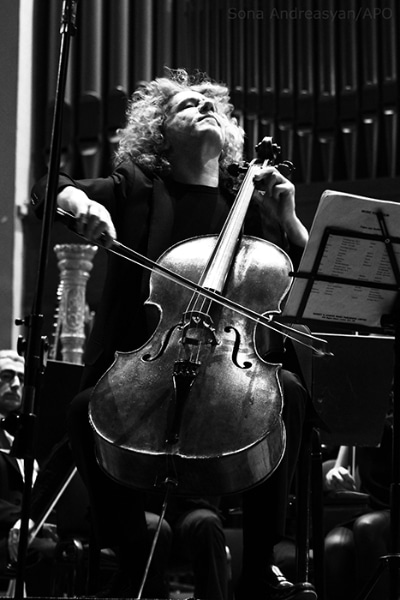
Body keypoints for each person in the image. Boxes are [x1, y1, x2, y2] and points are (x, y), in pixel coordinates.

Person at [31, 68, 317, 600]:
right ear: (160, 132)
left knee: (291, 397)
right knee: (83, 410)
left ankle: (260, 567)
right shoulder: (135, 189)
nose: (205, 108)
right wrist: (83, 205)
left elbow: (306, 292)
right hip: (146, 372)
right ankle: (135, 563)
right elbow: (49, 187)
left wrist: (291, 222)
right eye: (187, 105)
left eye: (212, 106)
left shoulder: (248, 207)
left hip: (230, 377)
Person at [0, 350, 58, 596]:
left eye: (22, 379)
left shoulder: (25, 436)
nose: (16, 384)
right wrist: (24, 519)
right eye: (6, 376)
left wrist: (40, 520)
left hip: (30, 529)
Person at [323, 414, 392, 600]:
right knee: (335, 545)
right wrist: (334, 474)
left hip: (390, 508)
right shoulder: (364, 411)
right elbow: (338, 468)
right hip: (370, 508)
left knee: (368, 527)